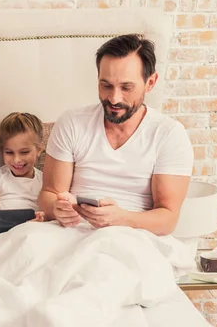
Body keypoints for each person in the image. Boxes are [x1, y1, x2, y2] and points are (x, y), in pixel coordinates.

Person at [39, 34, 194, 236]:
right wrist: (57, 209)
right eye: (106, 85)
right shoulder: (72, 122)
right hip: (69, 231)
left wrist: (123, 219)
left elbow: (168, 218)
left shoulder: (169, 135)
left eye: (126, 87)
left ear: (150, 82)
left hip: (130, 235)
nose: (114, 98)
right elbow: (49, 194)